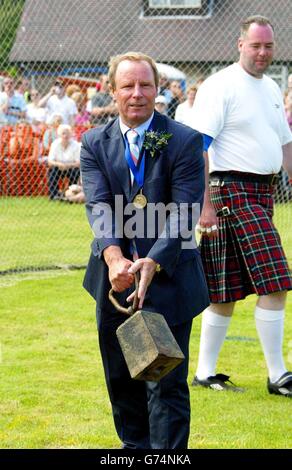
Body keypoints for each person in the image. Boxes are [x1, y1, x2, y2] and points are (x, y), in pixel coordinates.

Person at [80, 51, 209, 449]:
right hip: (114, 283)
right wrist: (115, 259)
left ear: (158, 89)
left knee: (165, 384)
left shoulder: (184, 140)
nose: (137, 94)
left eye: (145, 85)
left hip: (169, 277)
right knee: (122, 379)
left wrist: (154, 259)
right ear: (113, 91)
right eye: (128, 86)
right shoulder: (93, 143)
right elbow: (100, 205)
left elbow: (186, 209)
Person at [189, 15, 292, 396]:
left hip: (264, 193)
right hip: (230, 191)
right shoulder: (221, 86)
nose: (263, 53)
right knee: (277, 279)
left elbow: (284, 144)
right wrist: (205, 206)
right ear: (240, 45)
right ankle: (279, 375)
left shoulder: (268, 88)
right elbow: (197, 147)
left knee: (226, 289)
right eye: (256, 46)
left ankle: (204, 372)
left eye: (268, 46)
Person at [48, 124, 81, 200]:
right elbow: (50, 161)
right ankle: (54, 195)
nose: (65, 136)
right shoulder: (55, 144)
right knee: (52, 170)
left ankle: (71, 193)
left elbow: (78, 163)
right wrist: (59, 164)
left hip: (71, 167)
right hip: (58, 167)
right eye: (63, 133)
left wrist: (67, 165)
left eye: (68, 133)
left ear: (71, 135)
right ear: (59, 135)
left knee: (75, 171)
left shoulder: (76, 145)